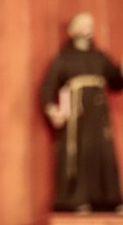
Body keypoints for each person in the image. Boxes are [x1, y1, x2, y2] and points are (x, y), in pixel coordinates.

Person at [39, 11, 123, 213]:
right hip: (76, 116)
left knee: (103, 153)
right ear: (71, 30)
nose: (87, 26)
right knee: (79, 153)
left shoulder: (100, 57)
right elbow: (47, 87)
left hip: (98, 113)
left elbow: (116, 82)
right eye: (82, 23)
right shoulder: (63, 59)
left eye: (90, 23)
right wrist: (52, 110)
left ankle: (109, 200)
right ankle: (76, 200)